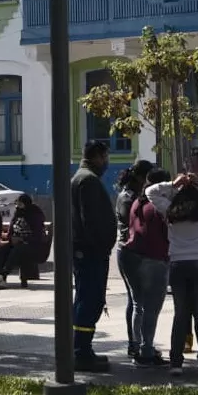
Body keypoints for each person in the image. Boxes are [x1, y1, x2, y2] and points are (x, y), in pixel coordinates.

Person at [145, 170, 198, 376]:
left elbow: (150, 192)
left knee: (180, 314)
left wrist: (173, 184)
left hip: (177, 264)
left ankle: (176, 362)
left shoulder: (171, 210)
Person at [71, 139, 116, 372]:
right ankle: (80, 352)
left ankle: (82, 349)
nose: (107, 162)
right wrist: (100, 245)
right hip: (90, 252)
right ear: (97, 156)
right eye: (105, 157)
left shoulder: (83, 178)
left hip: (87, 251)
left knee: (86, 298)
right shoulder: (87, 180)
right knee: (89, 300)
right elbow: (90, 220)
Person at [125, 167, 171, 367]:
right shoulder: (159, 206)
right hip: (154, 257)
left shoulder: (138, 201)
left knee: (138, 304)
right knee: (152, 308)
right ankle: (147, 351)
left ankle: (137, 346)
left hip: (130, 254)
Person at [115, 160, 152, 358]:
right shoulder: (127, 197)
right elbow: (133, 223)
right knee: (136, 300)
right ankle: (135, 344)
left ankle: (138, 342)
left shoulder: (135, 195)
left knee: (138, 299)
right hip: (129, 250)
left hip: (136, 250)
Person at [0, 194, 47, 288]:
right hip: (16, 242)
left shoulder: (35, 214)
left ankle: (2, 276)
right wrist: (10, 238)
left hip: (31, 245)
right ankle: (2, 278)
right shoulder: (18, 213)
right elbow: (11, 229)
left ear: (26, 203)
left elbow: (37, 236)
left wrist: (22, 239)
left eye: (20, 204)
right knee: (2, 249)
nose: (17, 206)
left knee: (17, 250)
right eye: (17, 204)